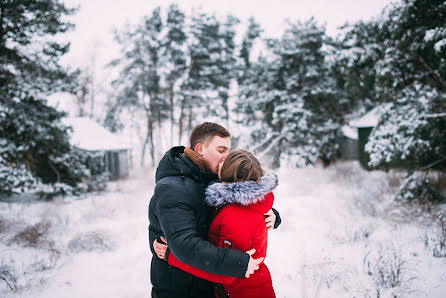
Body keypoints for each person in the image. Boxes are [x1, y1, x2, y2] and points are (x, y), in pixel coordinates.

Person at [148, 122, 281, 298]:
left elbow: (241, 204)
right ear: (200, 148)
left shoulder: (211, 179)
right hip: (181, 289)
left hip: (208, 285)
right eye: (221, 150)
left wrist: (271, 215)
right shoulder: (173, 187)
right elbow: (184, 244)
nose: (227, 156)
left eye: (228, 150)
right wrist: (237, 264)